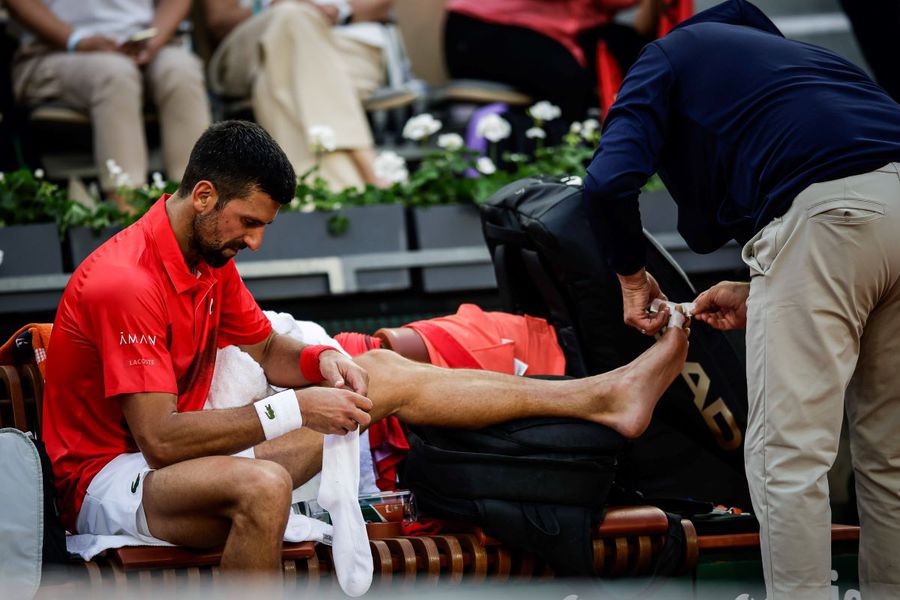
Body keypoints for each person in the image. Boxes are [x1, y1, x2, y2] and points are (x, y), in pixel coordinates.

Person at [42, 120, 689, 573]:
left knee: (373, 374)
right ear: (204, 196)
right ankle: (602, 396)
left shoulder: (204, 256)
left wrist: (320, 363)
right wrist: (298, 410)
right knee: (264, 486)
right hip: (110, 480)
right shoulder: (126, 281)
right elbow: (159, 439)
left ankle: (605, 396)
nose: (255, 243)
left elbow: (268, 351)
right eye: (249, 225)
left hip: (181, 466)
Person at [583, 1, 900, 598]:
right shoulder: (810, 63)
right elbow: (861, 192)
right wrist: (766, 286)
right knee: (891, 458)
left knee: (789, 458)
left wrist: (631, 277)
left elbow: (607, 182)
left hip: (829, 222)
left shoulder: (669, 53)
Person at [6, 0, 211, 208]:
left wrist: (156, 36)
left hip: (145, 43)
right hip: (56, 49)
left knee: (182, 71)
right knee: (116, 76)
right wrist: (76, 40)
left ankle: (196, 209)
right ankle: (129, 216)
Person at [203, 0, 394, 190]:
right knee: (292, 16)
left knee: (274, 78)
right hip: (251, 46)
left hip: (346, 46)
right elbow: (220, 20)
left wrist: (340, 9)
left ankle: (315, 193)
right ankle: (365, 162)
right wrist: (276, 7)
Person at [443, 0, 663, 122]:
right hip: (483, 29)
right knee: (568, 80)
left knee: (649, 57)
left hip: (562, 29)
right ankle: (560, 179)